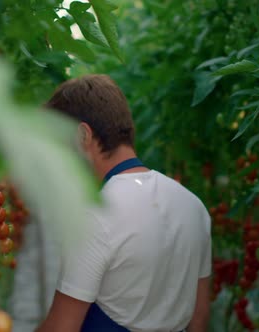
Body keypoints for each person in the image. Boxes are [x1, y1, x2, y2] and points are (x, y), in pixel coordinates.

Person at [35, 75, 212, 332]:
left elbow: (62, 328)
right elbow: (199, 318)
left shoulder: (96, 215)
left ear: (83, 134)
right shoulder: (193, 205)